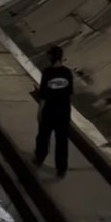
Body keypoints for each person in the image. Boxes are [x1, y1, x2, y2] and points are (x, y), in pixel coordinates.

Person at [33, 46, 74, 177]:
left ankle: (40, 157)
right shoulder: (68, 73)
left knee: (44, 136)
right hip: (63, 112)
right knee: (62, 140)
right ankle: (61, 168)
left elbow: (44, 95)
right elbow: (69, 94)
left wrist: (39, 112)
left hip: (49, 111)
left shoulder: (47, 73)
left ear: (51, 57)